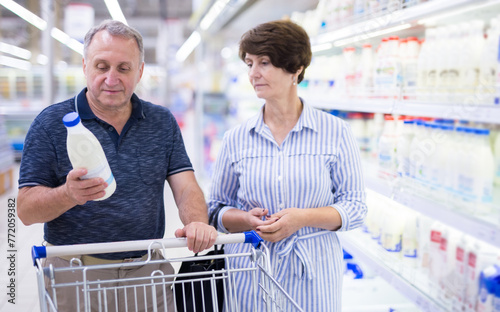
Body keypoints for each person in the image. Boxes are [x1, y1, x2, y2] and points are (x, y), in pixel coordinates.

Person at [17, 20, 217, 311]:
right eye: (101, 66)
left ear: (140, 72)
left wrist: (197, 221)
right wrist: (68, 195)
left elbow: (185, 185)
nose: (112, 79)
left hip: (147, 271)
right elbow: (24, 210)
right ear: (85, 66)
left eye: (123, 68)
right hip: (76, 275)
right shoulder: (50, 124)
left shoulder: (162, 122)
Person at [207, 20, 367, 311]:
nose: (253, 73)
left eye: (264, 63)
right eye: (249, 63)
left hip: (313, 275)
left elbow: (355, 207)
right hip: (251, 272)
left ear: (296, 69)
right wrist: (245, 220)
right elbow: (215, 209)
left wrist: (302, 218)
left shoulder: (335, 132)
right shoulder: (237, 139)